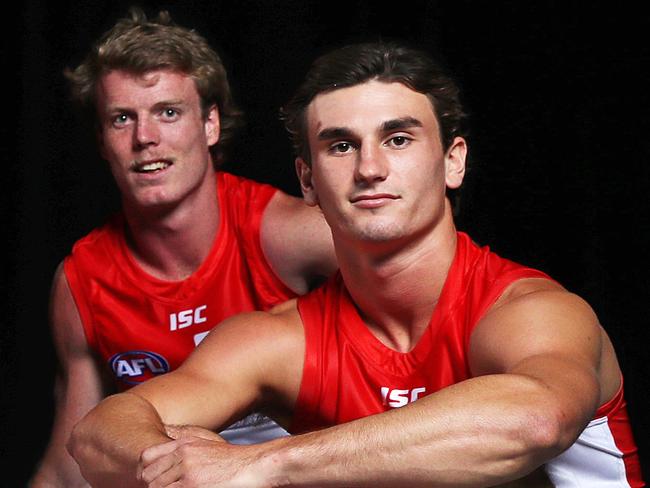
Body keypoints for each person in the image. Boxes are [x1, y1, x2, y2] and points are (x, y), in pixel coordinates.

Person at [68, 41, 644, 487]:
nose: (369, 168)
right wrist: (178, 467)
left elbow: (533, 421)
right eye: (341, 145)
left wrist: (260, 465)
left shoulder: (531, 311)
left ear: (453, 162)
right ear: (307, 179)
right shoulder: (278, 340)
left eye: (398, 139)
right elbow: (99, 432)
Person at [29, 8, 338, 488]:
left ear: (210, 124)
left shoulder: (290, 235)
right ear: (102, 141)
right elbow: (69, 466)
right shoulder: (82, 280)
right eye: (121, 118)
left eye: (167, 112)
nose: (145, 138)